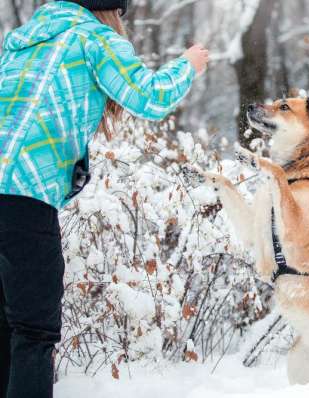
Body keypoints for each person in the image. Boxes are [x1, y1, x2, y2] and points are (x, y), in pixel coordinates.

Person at [0, 1, 209, 397]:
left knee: (7, 327)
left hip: (14, 197)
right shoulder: (93, 39)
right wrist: (187, 64)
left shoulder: (22, 43)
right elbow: (150, 97)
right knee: (32, 332)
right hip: (24, 197)